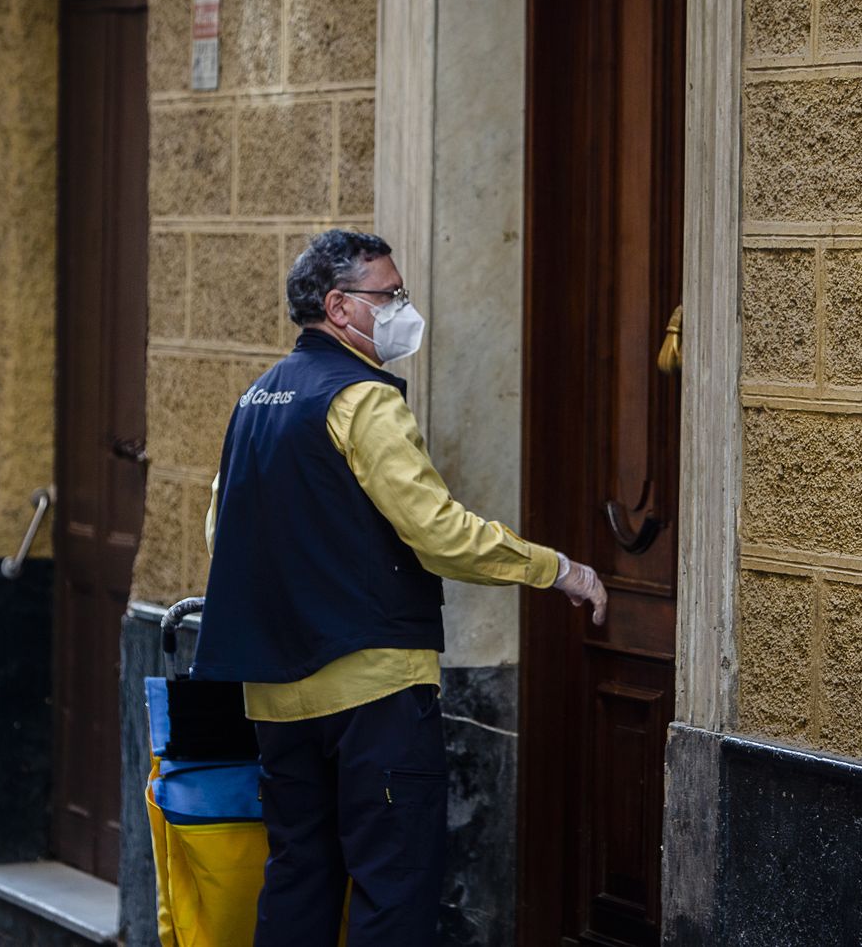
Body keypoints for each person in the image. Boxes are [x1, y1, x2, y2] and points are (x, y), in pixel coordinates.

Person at [190, 228, 608, 947]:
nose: (402, 309)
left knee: (299, 876)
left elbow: (220, 532)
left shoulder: (256, 399)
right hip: (373, 690)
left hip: (275, 696)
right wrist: (557, 569)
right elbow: (438, 532)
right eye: (390, 296)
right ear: (340, 308)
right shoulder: (362, 401)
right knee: (394, 888)